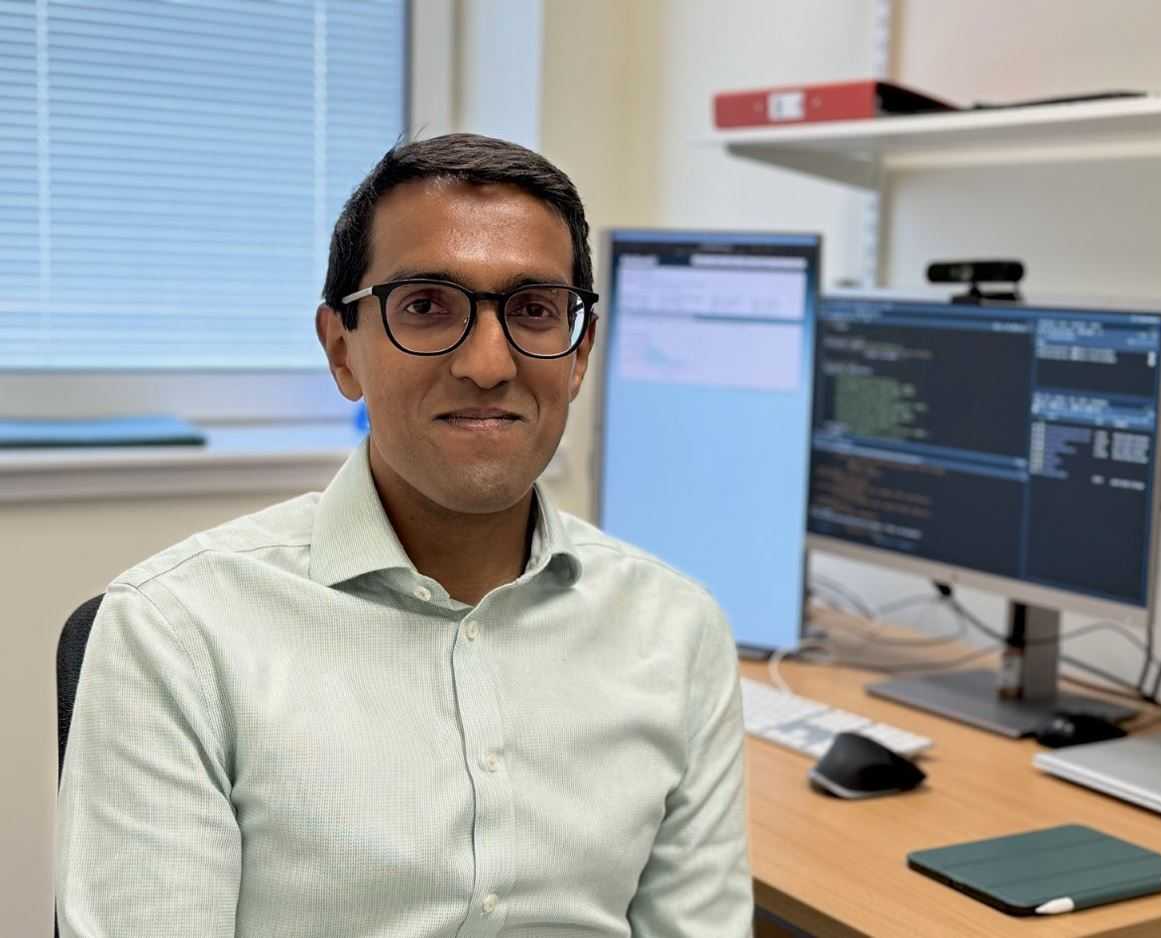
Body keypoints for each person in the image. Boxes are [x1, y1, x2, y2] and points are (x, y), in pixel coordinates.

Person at [56, 133, 752, 937]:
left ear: (580, 352)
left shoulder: (678, 631)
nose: (489, 364)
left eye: (533, 310)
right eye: (426, 306)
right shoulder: (176, 634)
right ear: (341, 349)